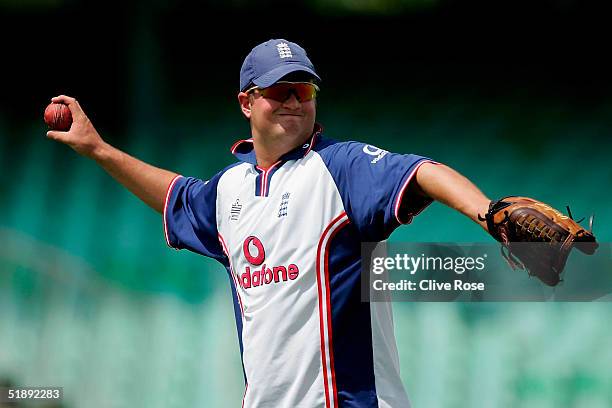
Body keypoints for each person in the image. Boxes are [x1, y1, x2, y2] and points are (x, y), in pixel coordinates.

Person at [47, 39, 491, 408]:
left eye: (305, 90)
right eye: (280, 90)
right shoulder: (229, 190)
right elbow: (176, 195)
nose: (295, 99)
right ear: (247, 102)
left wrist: (488, 214)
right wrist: (99, 150)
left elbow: (424, 173)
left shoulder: (341, 167)